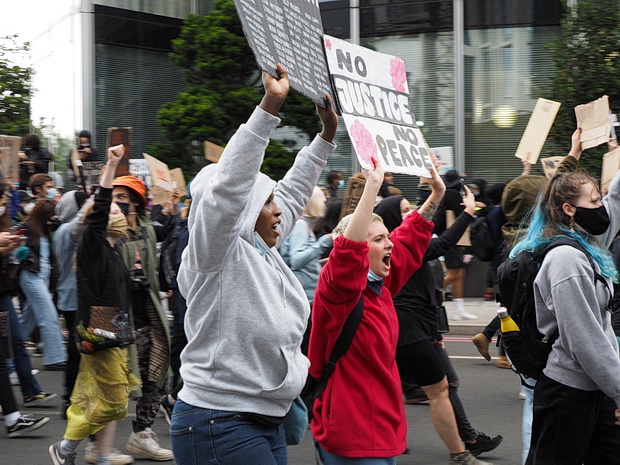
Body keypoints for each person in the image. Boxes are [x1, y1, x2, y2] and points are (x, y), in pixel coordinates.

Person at [171, 64, 337, 465]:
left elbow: (294, 193)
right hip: (219, 421)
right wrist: (270, 106)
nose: (278, 210)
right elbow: (228, 190)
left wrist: (326, 136)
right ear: (241, 210)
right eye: (265, 202)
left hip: (264, 419)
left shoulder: (262, 249)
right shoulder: (214, 251)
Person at [308, 157, 439, 464]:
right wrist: (372, 187)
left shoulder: (381, 287)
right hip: (352, 434)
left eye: (388, 237)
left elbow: (408, 240)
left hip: (382, 430)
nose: (390, 245)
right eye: (379, 240)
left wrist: (436, 193)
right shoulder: (337, 293)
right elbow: (347, 255)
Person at [510, 135, 620, 465]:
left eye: (601, 199)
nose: (602, 208)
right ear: (569, 209)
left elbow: (617, 199)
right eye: (594, 201)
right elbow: (584, 339)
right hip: (567, 392)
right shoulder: (567, 260)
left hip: (594, 386)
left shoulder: (590, 244)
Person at [375, 191, 501, 464]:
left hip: (419, 328)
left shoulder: (407, 245)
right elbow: (444, 243)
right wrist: (467, 213)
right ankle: (462, 450)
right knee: (439, 389)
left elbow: (425, 292)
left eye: (411, 208)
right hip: (409, 330)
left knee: (433, 386)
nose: (411, 214)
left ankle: (464, 441)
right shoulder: (397, 247)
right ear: (392, 219)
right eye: (405, 210)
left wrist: (433, 333)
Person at [49, 144, 139, 465]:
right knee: (114, 399)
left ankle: (98, 454)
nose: (119, 210)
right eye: (114, 209)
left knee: (103, 396)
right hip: (99, 331)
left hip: (113, 330)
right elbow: (100, 206)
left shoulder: (114, 249)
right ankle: (67, 447)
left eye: (119, 209)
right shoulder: (92, 241)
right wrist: (111, 166)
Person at [110, 174, 174, 461]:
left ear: (136, 202)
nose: (117, 203)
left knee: (155, 375)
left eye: (123, 198)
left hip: (148, 316)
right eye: (114, 197)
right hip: (117, 319)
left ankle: (142, 434)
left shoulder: (148, 228)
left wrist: (171, 207)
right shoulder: (106, 231)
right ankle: (94, 443)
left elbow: (170, 231)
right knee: (113, 381)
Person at [19, 199, 67, 370]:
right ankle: (54, 358)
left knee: (28, 319)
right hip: (32, 275)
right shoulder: (28, 228)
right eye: (51, 214)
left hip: (41, 275)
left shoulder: (43, 230)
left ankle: (9, 348)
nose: (53, 217)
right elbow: (17, 250)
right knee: (49, 316)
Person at [54, 190, 90, 415]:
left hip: (69, 294)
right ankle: (69, 398)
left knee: (77, 348)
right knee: (77, 350)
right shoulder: (69, 229)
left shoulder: (61, 229)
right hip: (74, 294)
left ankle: (71, 396)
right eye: (83, 203)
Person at [439, 169, 477, 320]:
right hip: (453, 238)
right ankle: (430, 292)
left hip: (450, 237)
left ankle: (459, 310)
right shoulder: (453, 194)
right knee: (454, 273)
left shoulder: (445, 193)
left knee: (459, 274)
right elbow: (463, 212)